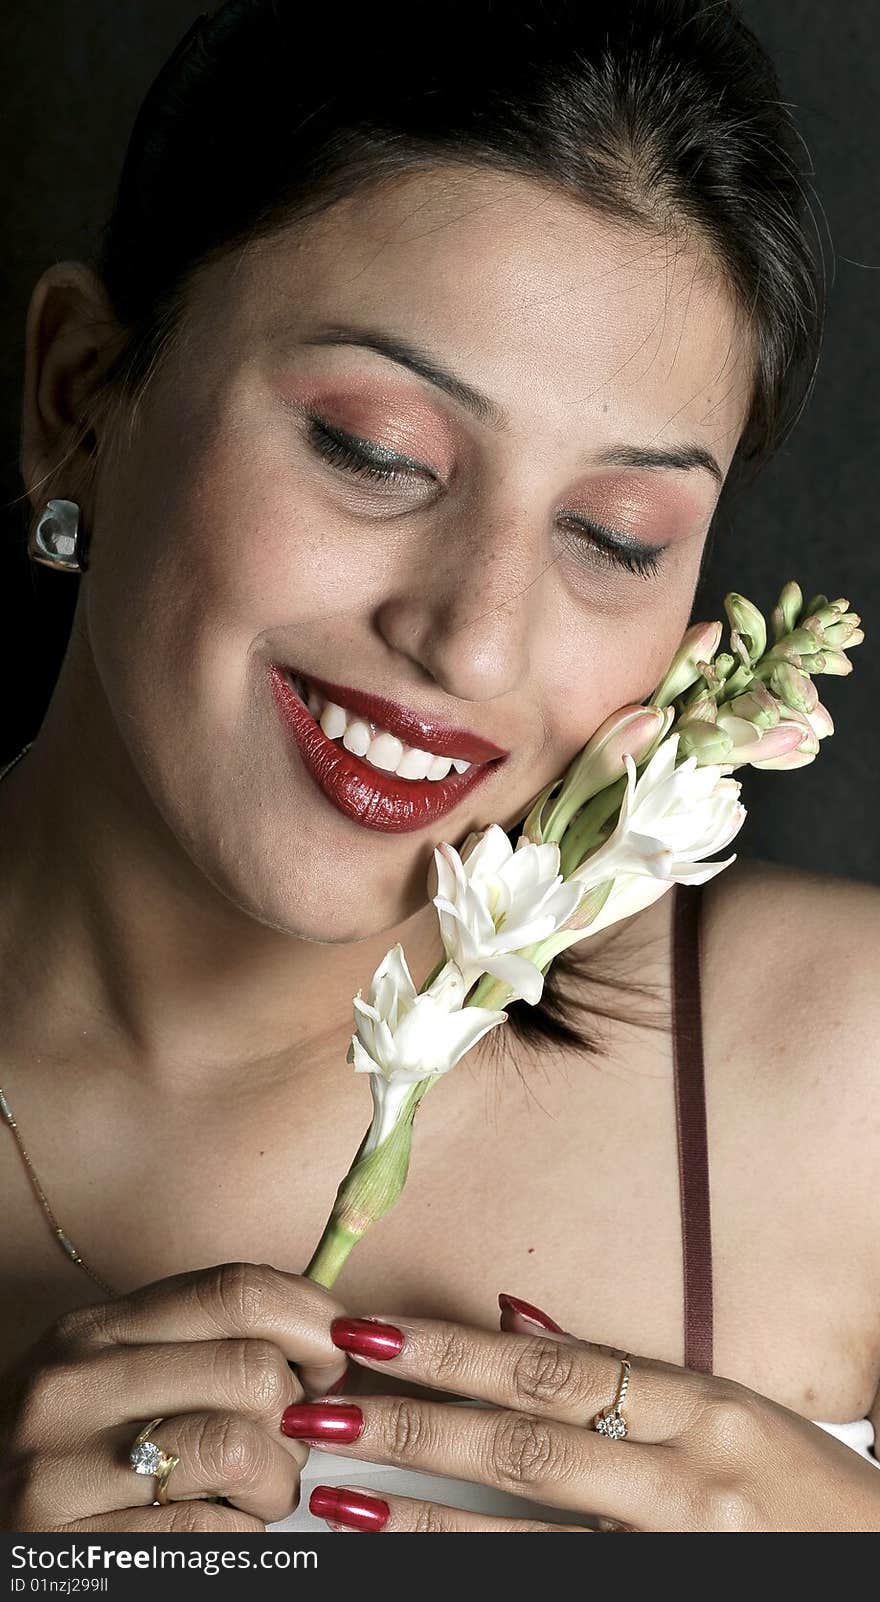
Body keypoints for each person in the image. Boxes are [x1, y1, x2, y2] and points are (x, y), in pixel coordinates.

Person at [0, 0, 877, 1536]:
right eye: (374, 450)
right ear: (80, 395)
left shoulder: (843, 1079)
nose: (475, 641)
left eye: (616, 539)